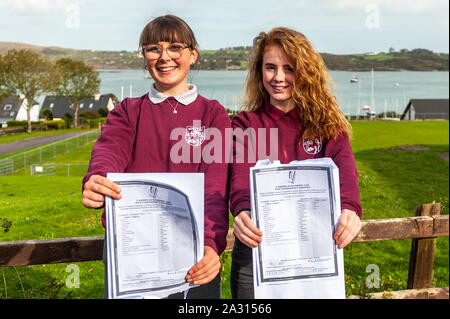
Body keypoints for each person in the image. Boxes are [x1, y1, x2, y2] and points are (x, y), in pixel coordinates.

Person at [81, 15, 230, 299]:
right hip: (131, 253)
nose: (164, 57)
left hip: (196, 255)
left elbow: (215, 185)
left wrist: (211, 244)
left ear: (193, 54)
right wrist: (97, 178)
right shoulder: (127, 111)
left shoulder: (213, 114)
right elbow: (109, 150)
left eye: (175, 47)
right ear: (145, 56)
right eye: (153, 48)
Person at [229, 27, 362, 299]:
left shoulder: (326, 125)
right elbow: (241, 178)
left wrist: (350, 209)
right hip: (256, 253)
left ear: (304, 72)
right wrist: (242, 209)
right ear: (259, 72)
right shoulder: (246, 124)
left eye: (288, 68)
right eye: (270, 68)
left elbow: (345, 171)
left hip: (315, 249)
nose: (279, 78)